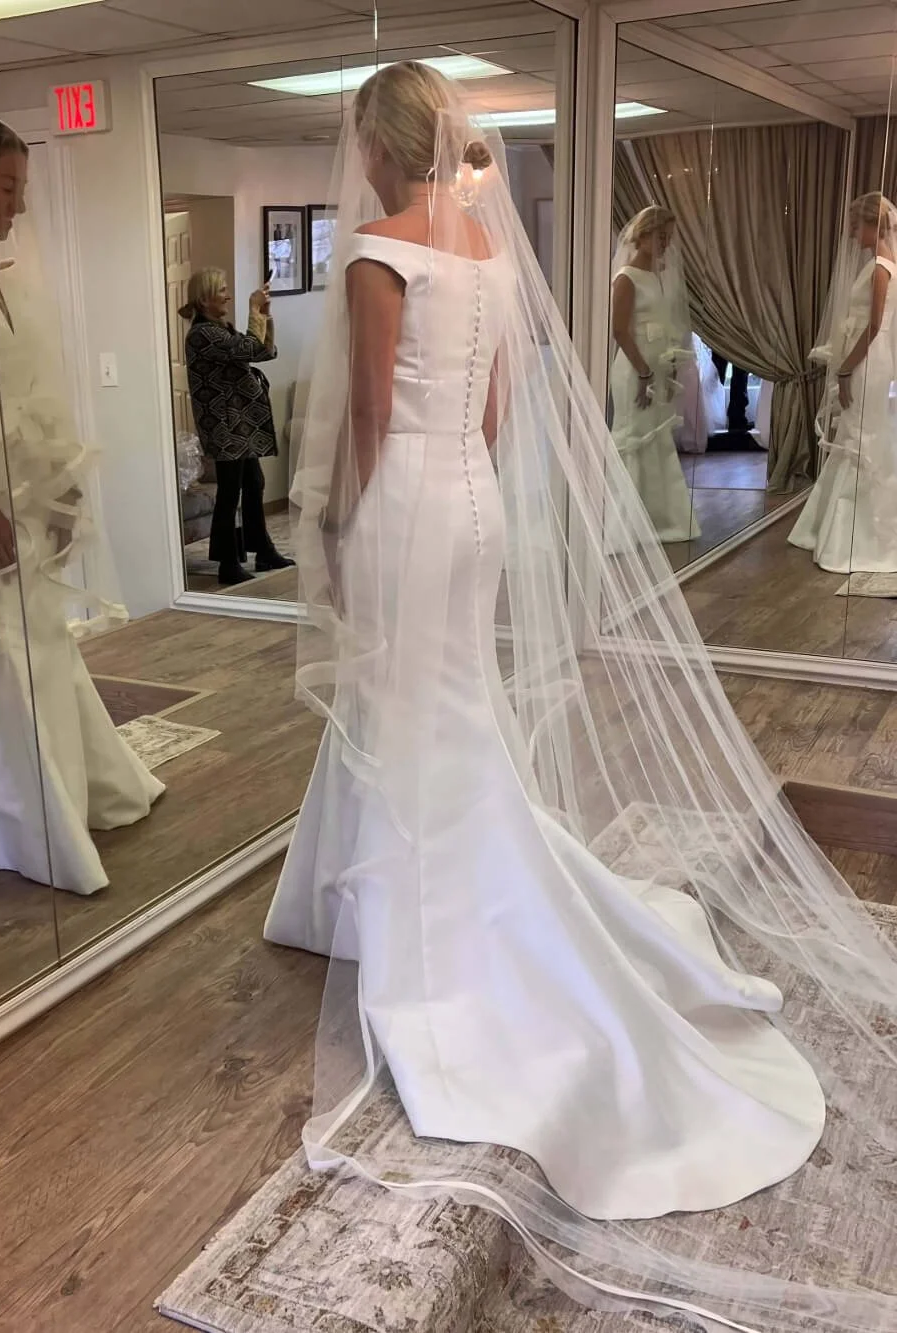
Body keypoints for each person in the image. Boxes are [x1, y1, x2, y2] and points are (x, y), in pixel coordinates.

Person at [262, 62, 897, 1331]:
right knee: (445, 708)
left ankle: (431, 930)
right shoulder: (486, 254)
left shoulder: (381, 250)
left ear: (375, 147)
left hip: (400, 514)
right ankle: (360, 890)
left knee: (413, 710)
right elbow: (492, 412)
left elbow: (372, 415)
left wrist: (324, 521)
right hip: (474, 512)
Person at [0, 114, 163, 894]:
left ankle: (63, 787)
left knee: (39, 632)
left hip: (21, 481)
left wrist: (60, 480)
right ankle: (10, 810)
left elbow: (30, 387)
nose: (19, 205)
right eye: (9, 186)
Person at [789, 191, 897, 573]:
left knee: (860, 440)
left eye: (856, 224)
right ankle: (841, 530)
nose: (852, 233)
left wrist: (848, 369)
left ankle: (859, 540)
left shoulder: (882, 267)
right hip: (866, 359)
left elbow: (874, 326)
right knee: (857, 437)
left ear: (873, 224)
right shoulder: (880, 264)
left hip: (866, 363)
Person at [180, 269, 294, 586]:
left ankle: (264, 551)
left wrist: (263, 315)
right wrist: (252, 309)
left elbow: (262, 351)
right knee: (230, 492)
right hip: (225, 424)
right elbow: (246, 349)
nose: (227, 295)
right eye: (222, 290)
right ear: (204, 299)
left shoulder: (220, 329)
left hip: (239, 423)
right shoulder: (203, 334)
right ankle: (228, 563)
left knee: (253, 482)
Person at [610, 206, 699, 542]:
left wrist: (668, 364)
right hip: (635, 370)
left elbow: (667, 323)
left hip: (657, 368)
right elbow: (619, 330)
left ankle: (658, 519)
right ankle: (623, 525)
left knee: (657, 440)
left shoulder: (659, 276)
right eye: (661, 236)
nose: (665, 243)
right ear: (643, 235)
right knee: (634, 438)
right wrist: (645, 372)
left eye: (669, 238)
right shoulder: (627, 278)